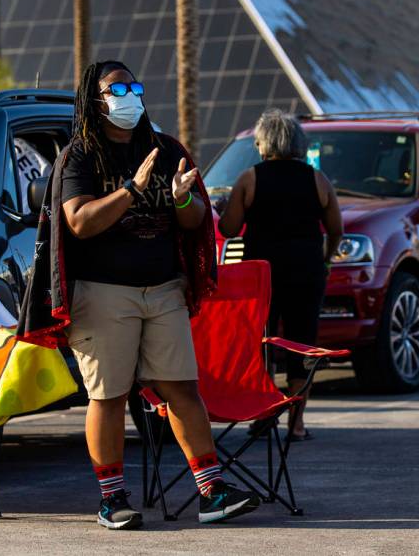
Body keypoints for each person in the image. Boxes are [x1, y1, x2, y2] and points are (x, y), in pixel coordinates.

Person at [17, 60, 259, 530]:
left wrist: (183, 198)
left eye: (134, 86)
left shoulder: (165, 149)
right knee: (108, 395)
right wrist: (132, 189)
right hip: (103, 294)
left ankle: (211, 491)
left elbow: (191, 223)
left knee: (181, 389)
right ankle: (113, 499)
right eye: (116, 88)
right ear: (96, 99)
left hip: (163, 288)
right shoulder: (81, 155)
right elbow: (80, 222)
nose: (129, 95)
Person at [217, 109, 342, 441]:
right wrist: (326, 260)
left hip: (263, 277)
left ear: (264, 143)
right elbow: (336, 229)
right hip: (306, 272)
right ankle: (297, 424)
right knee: (302, 345)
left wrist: (224, 208)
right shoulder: (317, 179)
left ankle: (264, 415)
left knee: (262, 345)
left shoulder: (250, 178)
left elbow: (228, 229)